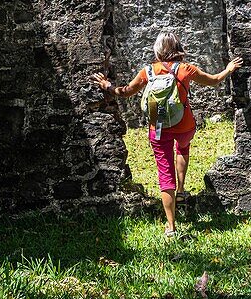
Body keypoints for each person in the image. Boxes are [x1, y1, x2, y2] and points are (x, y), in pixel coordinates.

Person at [91, 31, 242, 237]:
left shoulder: (148, 72)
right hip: (185, 125)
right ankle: (181, 190)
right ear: (178, 48)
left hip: (158, 129)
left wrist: (107, 85)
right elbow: (214, 80)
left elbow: (125, 91)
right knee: (183, 148)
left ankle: (171, 226)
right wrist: (229, 69)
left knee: (164, 173)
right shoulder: (185, 69)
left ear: (157, 50)